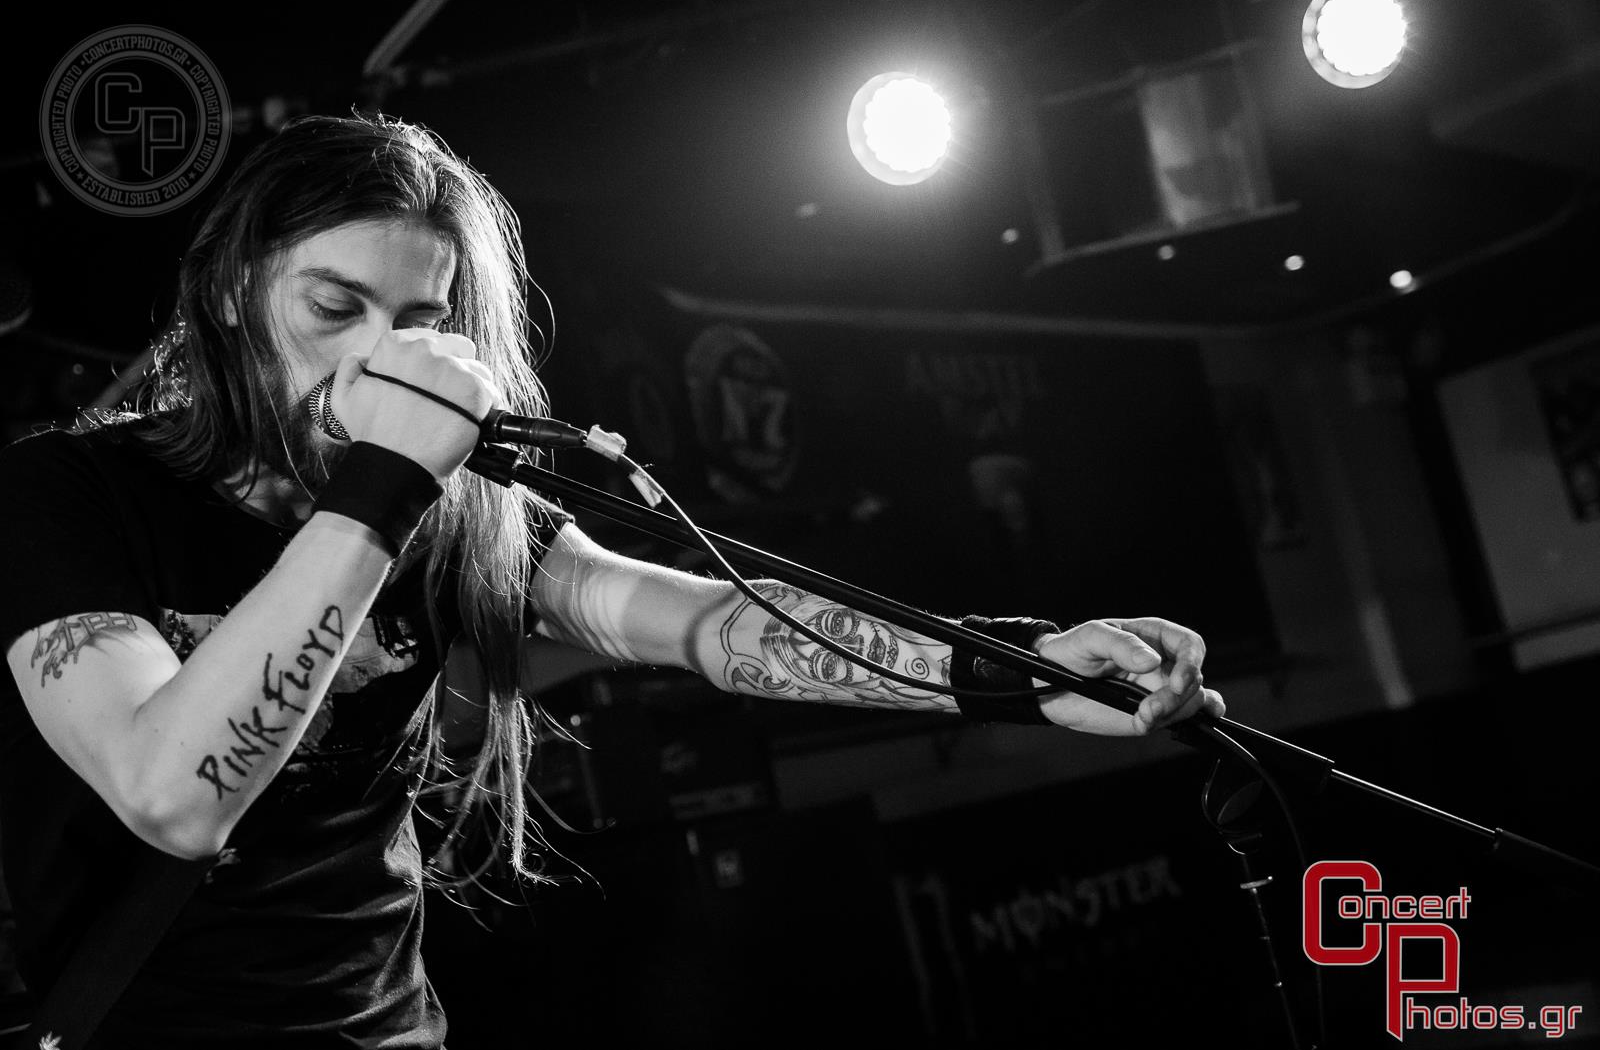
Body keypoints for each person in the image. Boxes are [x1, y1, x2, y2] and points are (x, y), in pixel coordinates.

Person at [0, 113, 1225, 1047]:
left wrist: (1011, 671)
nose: (383, 357)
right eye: (334, 307)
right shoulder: (70, 496)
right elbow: (171, 795)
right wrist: (378, 484)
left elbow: (710, 624)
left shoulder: (451, 514)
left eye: (420, 321)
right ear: (232, 295)